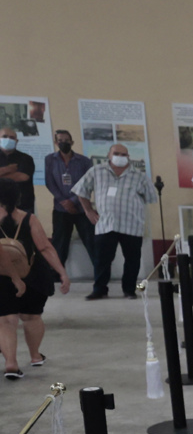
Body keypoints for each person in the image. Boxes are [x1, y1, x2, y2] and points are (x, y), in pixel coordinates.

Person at [0, 179, 73, 378]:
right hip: (32, 275)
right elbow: (45, 248)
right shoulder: (29, 219)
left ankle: (11, 363)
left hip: (2, 277)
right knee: (32, 317)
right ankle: (35, 356)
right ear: (18, 197)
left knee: (6, 320)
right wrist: (62, 272)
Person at [72, 145, 157, 299]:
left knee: (132, 259)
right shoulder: (96, 171)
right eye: (116, 153)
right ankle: (99, 290)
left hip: (132, 224)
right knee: (102, 259)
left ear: (128, 157)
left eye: (124, 154)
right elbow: (81, 190)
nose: (120, 157)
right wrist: (88, 210)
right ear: (109, 155)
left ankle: (129, 290)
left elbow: (150, 197)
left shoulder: (139, 176)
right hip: (106, 223)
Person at [44, 129, 96, 271]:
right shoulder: (50, 160)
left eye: (67, 141)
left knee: (91, 241)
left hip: (82, 208)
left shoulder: (84, 161)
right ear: (56, 143)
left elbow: (88, 184)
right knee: (59, 243)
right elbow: (49, 182)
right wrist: (64, 202)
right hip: (60, 209)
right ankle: (56, 275)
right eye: (60, 141)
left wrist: (73, 201)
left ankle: (101, 273)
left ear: (72, 142)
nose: (64, 143)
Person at [0, 129, 34, 215]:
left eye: (12, 137)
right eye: (4, 136)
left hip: (22, 205)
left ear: (17, 141)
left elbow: (22, 177)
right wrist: (8, 169)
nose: (8, 139)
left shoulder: (26, 158)